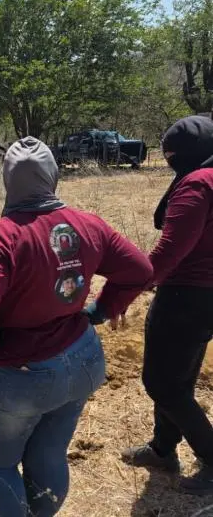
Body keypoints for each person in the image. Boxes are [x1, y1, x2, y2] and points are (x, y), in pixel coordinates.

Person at [0, 137, 153, 517]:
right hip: (80, 360)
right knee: (49, 450)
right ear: (53, 176)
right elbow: (140, 270)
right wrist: (100, 311)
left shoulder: (1, 237)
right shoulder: (88, 224)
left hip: (18, 373)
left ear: (8, 182)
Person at [120, 116, 213, 494]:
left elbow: (169, 251)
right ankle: (163, 448)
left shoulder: (196, 185)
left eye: (170, 153)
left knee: (161, 383)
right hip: (204, 297)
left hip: (185, 296)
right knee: (179, 377)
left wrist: (127, 288)